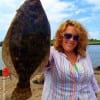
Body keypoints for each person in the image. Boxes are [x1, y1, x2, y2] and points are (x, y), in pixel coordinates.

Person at [42, 19, 100, 100]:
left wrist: (95, 92)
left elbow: (91, 77)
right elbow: (42, 64)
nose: (71, 39)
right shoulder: (52, 52)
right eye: (68, 36)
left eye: (76, 37)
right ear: (60, 36)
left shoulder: (84, 54)